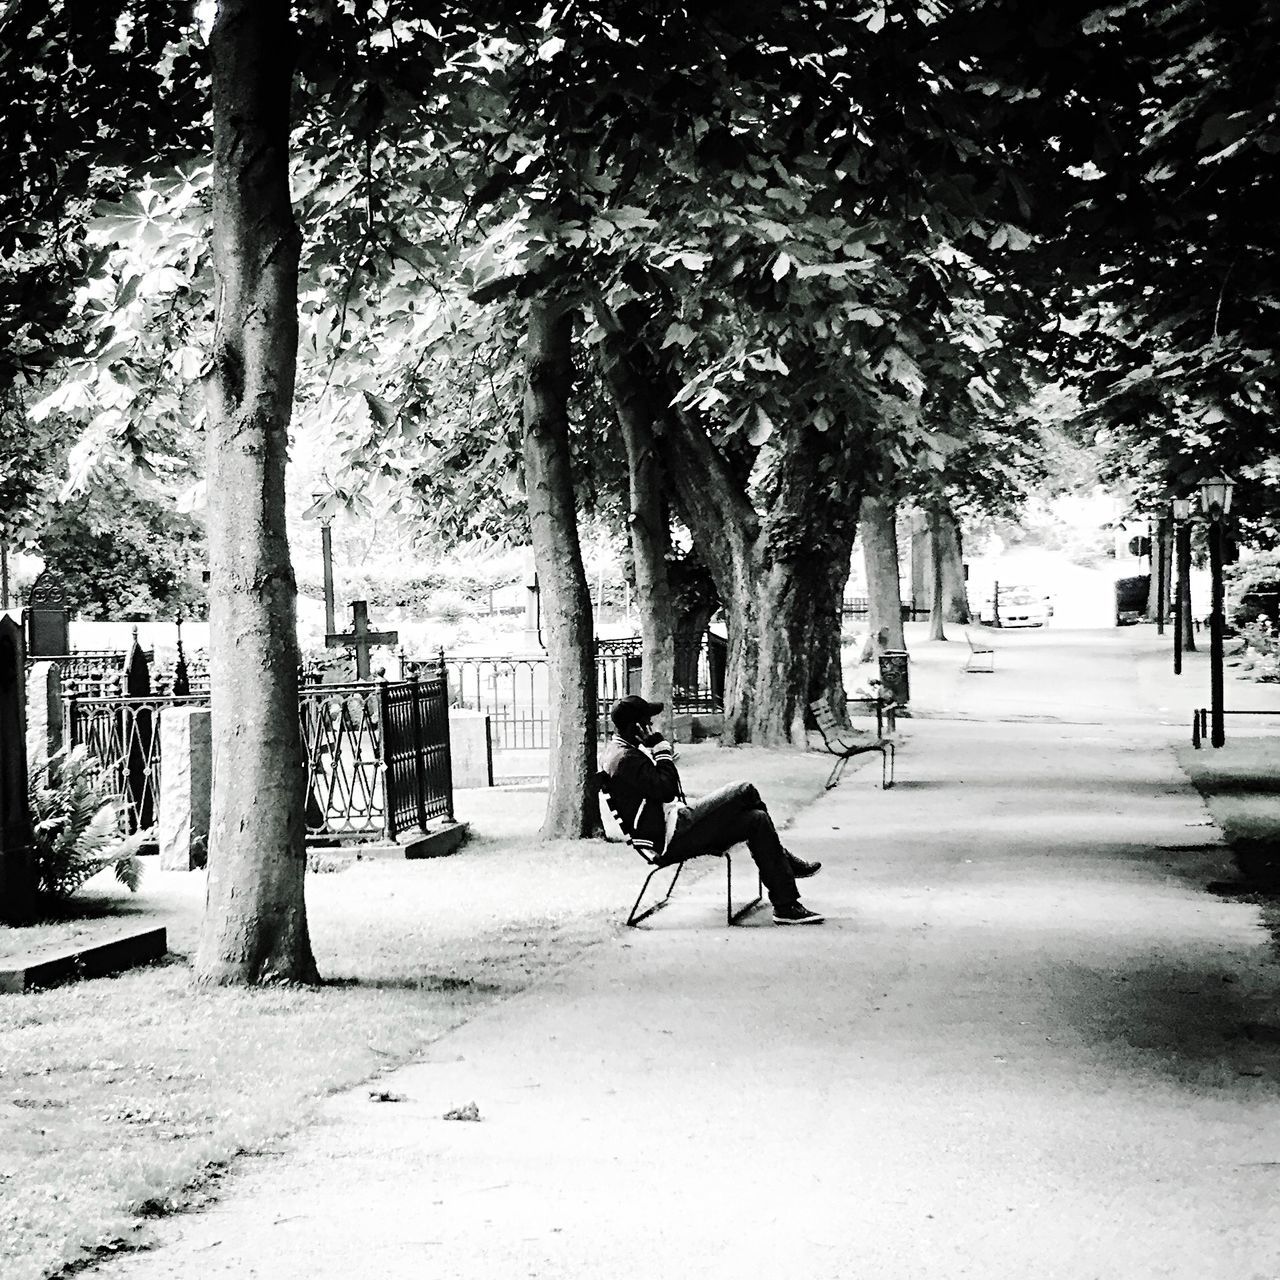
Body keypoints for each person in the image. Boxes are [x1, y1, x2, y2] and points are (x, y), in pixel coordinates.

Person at [601, 694, 825, 925]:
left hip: (673, 825)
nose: (651, 726)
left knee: (756, 820)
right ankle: (784, 862)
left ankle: (785, 905)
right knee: (745, 790)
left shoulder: (619, 751)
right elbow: (666, 789)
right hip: (671, 836)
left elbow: (659, 789)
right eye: (648, 721)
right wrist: (660, 750)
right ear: (636, 726)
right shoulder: (626, 759)